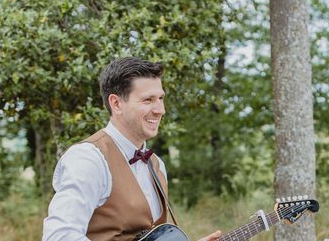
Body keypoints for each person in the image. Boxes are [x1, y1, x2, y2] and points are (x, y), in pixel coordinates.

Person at [43, 56, 221, 241]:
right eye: (148, 100)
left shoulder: (157, 165)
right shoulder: (89, 158)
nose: (160, 110)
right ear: (116, 103)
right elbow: (59, 235)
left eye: (160, 98)